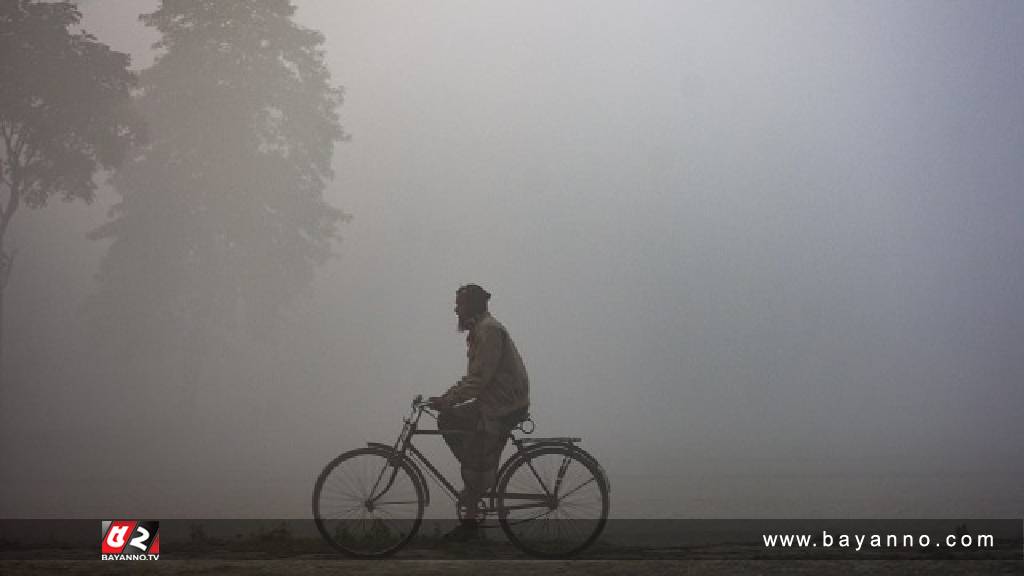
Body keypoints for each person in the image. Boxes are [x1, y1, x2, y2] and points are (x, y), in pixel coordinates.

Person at [429, 284, 530, 542]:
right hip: (494, 401)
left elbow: (478, 381)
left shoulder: (488, 331)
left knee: (454, 425)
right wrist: (447, 398)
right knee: (453, 423)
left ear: (472, 306)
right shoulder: (480, 330)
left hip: (503, 405)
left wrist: (448, 399)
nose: (455, 309)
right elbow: (474, 378)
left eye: (460, 305)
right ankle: (477, 477)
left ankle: (476, 482)